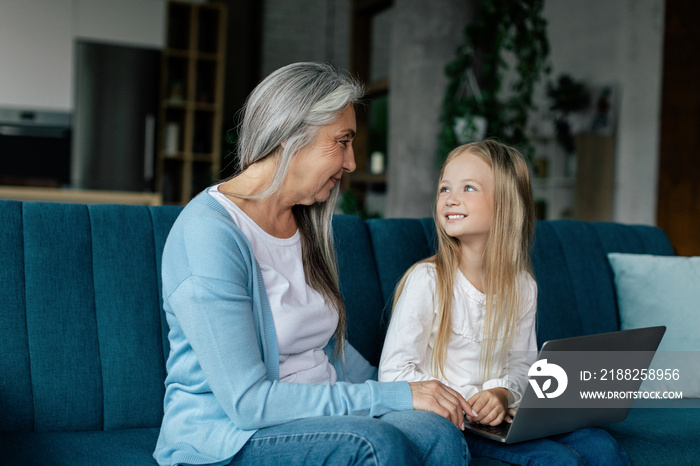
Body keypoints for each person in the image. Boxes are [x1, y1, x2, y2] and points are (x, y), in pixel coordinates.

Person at [153, 62, 471, 466]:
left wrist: (423, 389)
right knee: (374, 445)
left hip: (311, 421)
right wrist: (395, 397)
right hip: (229, 437)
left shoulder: (306, 221)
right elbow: (249, 403)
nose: (352, 162)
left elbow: (328, 353)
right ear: (290, 136)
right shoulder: (208, 234)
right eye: (342, 141)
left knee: (438, 435)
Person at [378, 140, 631, 465]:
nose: (450, 199)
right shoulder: (428, 280)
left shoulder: (522, 286)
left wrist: (501, 394)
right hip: (456, 422)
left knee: (602, 446)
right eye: (444, 189)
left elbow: (522, 368)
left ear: (506, 205)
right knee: (556, 460)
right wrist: (476, 402)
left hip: (502, 418)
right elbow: (393, 373)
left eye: (468, 187)